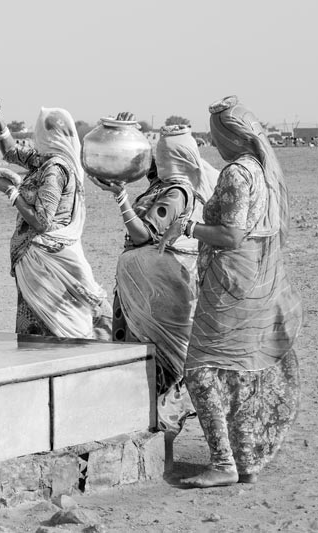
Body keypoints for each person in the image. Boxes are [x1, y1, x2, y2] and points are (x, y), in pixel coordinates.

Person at [159, 95, 302, 487]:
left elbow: (232, 235)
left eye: (216, 135)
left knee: (199, 368)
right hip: (255, 277)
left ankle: (223, 463)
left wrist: (188, 227)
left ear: (231, 138)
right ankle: (245, 460)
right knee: (239, 369)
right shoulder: (262, 169)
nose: (213, 141)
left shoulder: (238, 173)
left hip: (231, 284)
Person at [89, 116, 219, 450]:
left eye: (159, 153)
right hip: (142, 291)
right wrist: (122, 134)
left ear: (173, 158)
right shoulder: (161, 184)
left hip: (159, 296)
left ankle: (163, 447)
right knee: (140, 362)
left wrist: (121, 199)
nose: (154, 157)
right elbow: (131, 164)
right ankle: (148, 437)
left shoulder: (177, 192)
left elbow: (144, 234)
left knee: (162, 368)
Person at [0, 107, 111, 339]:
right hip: (43, 258)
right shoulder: (48, 160)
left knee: (48, 325)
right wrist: (0, 126)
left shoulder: (54, 169)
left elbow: (42, 221)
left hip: (46, 261)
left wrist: (11, 192)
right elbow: (13, 152)